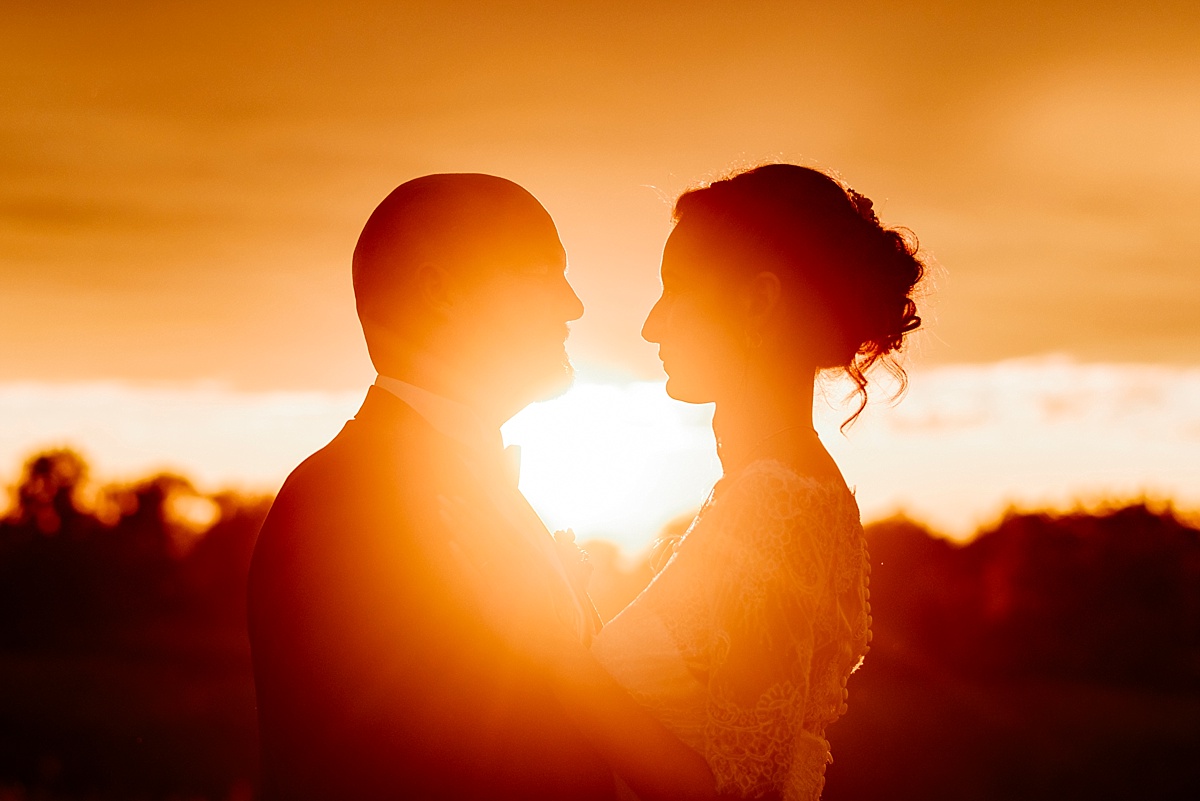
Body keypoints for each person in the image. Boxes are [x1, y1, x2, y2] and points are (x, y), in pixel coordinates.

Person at [460, 164, 924, 801]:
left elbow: (738, 793)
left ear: (758, 303)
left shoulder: (779, 505)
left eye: (675, 291)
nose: (652, 324)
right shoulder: (764, 490)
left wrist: (555, 649)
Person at [247, 173, 620, 800]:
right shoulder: (346, 505)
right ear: (440, 292)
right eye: (543, 273)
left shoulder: (456, 478)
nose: (573, 305)